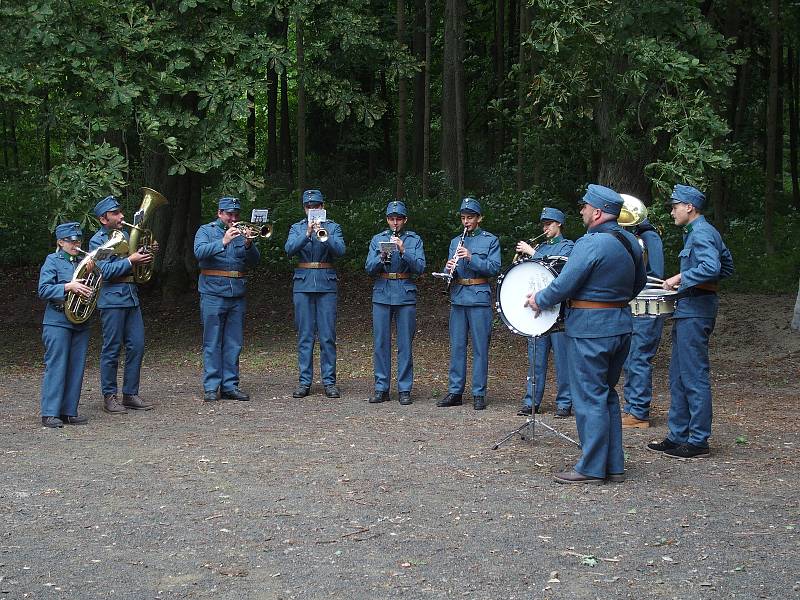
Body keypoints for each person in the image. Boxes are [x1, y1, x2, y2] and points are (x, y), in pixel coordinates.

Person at [526, 184, 646, 484]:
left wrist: (538, 300)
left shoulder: (590, 243)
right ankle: (614, 465)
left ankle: (591, 468)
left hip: (591, 329)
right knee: (607, 395)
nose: (580, 211)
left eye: (584, 207)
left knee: (589, 397)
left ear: (597, 212)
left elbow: (565, 284)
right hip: (621, 324)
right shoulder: (631, 242)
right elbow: (640, 283)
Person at [648, 184, 734, 460]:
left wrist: (680, 279)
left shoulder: (701, 233)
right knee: (679, 376)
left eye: (675, 206)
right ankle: (678, 436)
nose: (672, 211)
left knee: (694, 376)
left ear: (689, 207)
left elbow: (713, 268)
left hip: (697, 309)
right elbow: (726, 265)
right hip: (690, 308)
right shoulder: (699, 233)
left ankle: (698, 441)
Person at [90, 196, 154, 414]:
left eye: (120, 212)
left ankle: (130, 394)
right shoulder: (98, 241)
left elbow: (136, 267)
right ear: (103, 218)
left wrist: (146, 252)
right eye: (115, 213)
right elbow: (104, 271)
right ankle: (109, 396)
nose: (122, 216)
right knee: (111, 350)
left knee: (137, 346)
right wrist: (130, 261)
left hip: (131, 297)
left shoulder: (126, 235)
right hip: (111, 300)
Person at [436, 197, 501, 411]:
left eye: (470, 218)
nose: (466, 222)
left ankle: (479, 393)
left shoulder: (490, 240)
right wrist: (448, 269)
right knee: (457, 346)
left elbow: (494, 268)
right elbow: (450, 273)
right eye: (463, 218)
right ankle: (455, 391)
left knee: (481, 347)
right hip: (459, 296)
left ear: (479, 218)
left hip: (479, 296)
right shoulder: (456, 241)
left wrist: (471, 257)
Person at [194, 197, 261, 402]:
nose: (233, 218)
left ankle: (230, 385)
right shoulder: (206, 231)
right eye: (229, 214)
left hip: (237, 293)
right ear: (219, 213)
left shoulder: (242, 232)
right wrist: (223, 240)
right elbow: (199, 253)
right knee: (212, 341)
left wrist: (249, 244)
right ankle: (212, 387)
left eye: (236, 214)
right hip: (213, 292)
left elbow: (255, 261)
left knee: (234, 342)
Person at [285, 189, 346, 399]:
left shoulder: (333, 227)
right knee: (305, 336)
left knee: (328, 336)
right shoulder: (297, 228)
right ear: (305, 208)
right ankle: (304, 381)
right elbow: (289, 249)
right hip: (303, 285)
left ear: (323, 207)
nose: (313, 210)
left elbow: (340, 250)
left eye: (317, 206)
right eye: (309, 207)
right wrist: (307, 233)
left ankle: (329, 382)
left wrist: (324, 235)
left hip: (326, 284)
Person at [365, 200, 426, 405]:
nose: (395, 222)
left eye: (398, 219)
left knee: (405, 343)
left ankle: (404, 388)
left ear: (405, 220)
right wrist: (381, 257)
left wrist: (403, 251)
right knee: (381, 343)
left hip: (405, 293)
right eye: (391, 219)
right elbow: (368, 268)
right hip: (382, 292)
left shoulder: (414, 240)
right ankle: (381, 388)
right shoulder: (377, 239)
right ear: (387, 220)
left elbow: (420, 267)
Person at [515, 207, 574, 417]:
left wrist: (533, 254)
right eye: (544, 224)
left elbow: (560, 271)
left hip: (558, 311)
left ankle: (564, 403)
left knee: (563, 361)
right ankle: (531, 402)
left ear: (559, 224)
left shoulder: (569, 247)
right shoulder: (541, 245)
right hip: (537, 311)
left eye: (549, 224)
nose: (545, 228)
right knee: (535, 359)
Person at [37, 222, 93, 428]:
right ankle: (50, 413)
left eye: (78, 240)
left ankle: (69, 411)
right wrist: (69, 286)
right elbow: (43, 290)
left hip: (80, 320)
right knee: (57, 365)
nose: (75, 244)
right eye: (71, 241)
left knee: (76, 366)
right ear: (60, 242)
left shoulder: (84, 262)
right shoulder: (52, 260)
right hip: (58, 321)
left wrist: (89, 274)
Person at [620, 217, 665, 428]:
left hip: (646, 306)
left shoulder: (649, 237)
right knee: (630, 359)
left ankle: (639, 412)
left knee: (638, 358)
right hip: (634, 306)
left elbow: (655, 275)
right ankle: (632, 407)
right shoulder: (635, 237)